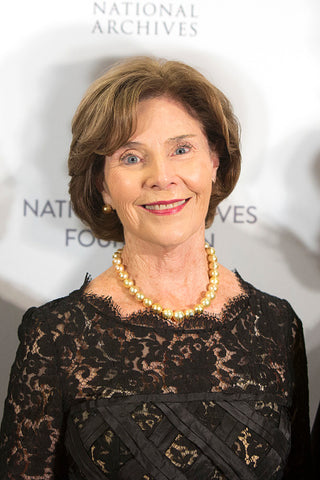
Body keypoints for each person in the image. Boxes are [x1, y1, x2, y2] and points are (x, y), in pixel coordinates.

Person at [0, 56, 312, 479]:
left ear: (214, 163)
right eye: (131, 158)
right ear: (101, 184)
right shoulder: (56, 337)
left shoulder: (276, 326)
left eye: (181, 150)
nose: (162, 177)